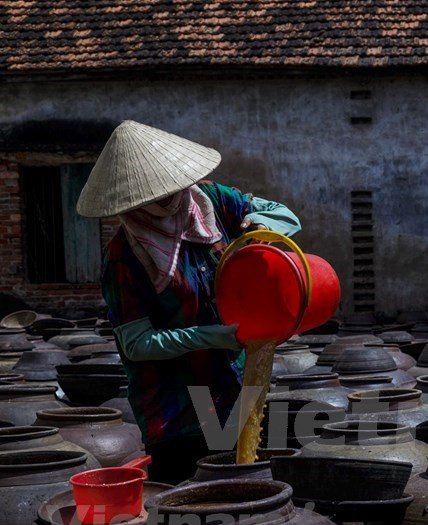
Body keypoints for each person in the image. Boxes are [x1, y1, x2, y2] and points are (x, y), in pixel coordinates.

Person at [77, 120, 302, 484]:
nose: (169, 200)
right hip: (176, 408)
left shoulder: (210, 199)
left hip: (236, 382)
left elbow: (284, 215)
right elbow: (136, 343)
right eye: (154, 197)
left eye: (172, 188)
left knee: (250, 487)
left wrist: (260, 227)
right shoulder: (125, 254)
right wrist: (210, 336)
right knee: (198, 504)